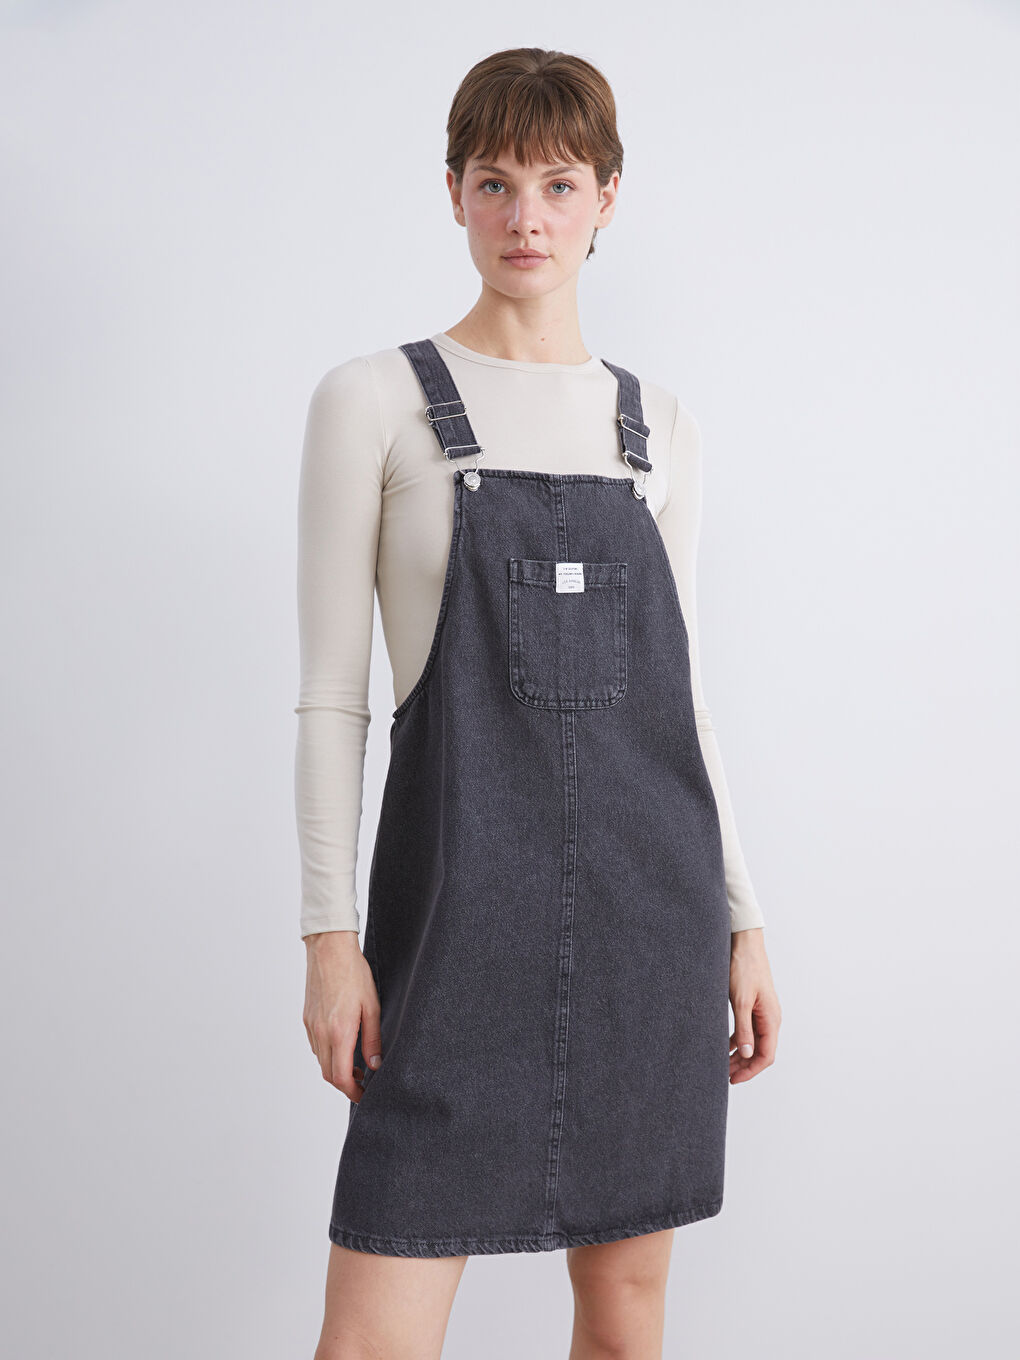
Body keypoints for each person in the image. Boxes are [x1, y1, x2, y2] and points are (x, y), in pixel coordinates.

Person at [295, 46, 782, 1360]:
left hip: (650, 925)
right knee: (373, 1339)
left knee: (624, 1324)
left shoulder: (656, 426)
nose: (527, 218)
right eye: (497, 182)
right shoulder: (373, 401)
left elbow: (683, 704)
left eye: (560, 184)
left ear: (607, 197)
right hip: (450, 927)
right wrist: (328, 939)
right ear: (454, 191)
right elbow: (332, 700)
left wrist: (743, 918)